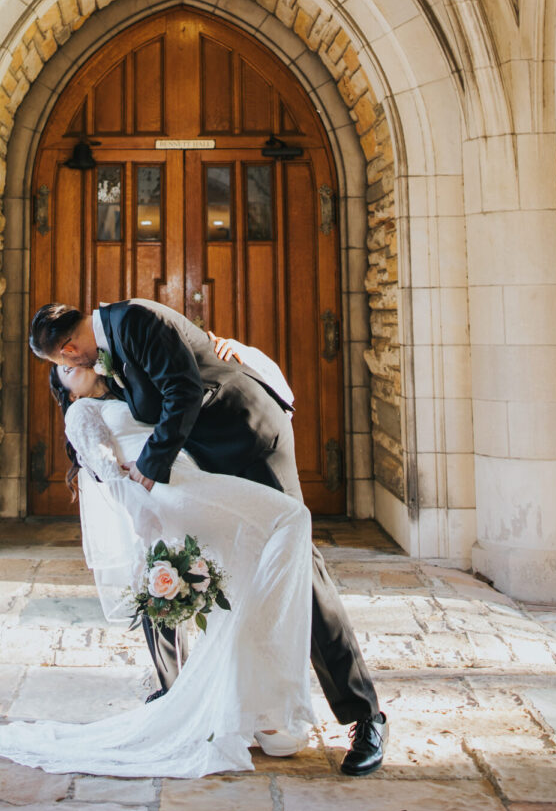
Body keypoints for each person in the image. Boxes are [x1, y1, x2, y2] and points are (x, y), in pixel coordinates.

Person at [28, 297, 387, 777]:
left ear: (69, 350)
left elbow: (183, 391)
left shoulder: (134, 319)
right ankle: (230, 699)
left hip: (247, 440)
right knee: (213, 574)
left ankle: (365, 717)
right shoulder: (109, 350)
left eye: (59, 364)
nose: (67, 370)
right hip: (205, 462)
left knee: (299, 561)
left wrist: (150, 472)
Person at [0, 356, 316, 777]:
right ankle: (247, 706)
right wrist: (146, 520)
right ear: (67, 391)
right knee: (289, 519)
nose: (71, 363)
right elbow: (108, 472)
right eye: (62, 368)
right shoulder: (82, 411)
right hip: (165, 492)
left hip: (190, 476)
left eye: (72, 358)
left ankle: (251, 709)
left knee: (244, 579)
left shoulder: (131, 389)